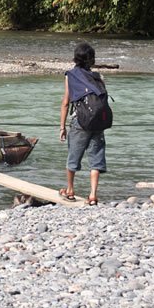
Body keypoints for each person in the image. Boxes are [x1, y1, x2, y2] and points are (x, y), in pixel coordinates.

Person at [59, 42, 107, 205]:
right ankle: (93, 195)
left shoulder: (70, 75)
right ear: (91, 60)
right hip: (98, 122)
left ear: (75, 58)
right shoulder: (98, 76)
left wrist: (62, 126)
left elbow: (66, 102)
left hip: (79, 121)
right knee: (96, 158)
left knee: (73, 156)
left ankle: (70, 190)